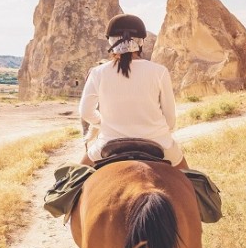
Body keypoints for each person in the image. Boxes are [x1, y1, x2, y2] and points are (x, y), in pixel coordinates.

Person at [79, 13, 189, 170]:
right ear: (141, 42)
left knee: (72, 181)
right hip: (159, 142)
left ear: (111, 41)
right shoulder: (159, 71)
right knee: (195, 183)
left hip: (108, 143)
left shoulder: (98, 72)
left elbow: (85, 112)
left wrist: (103, 123)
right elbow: (170, 118)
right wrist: (157, 130)